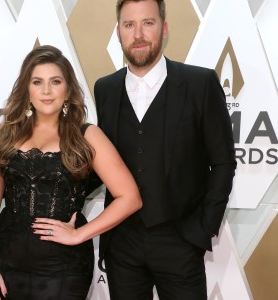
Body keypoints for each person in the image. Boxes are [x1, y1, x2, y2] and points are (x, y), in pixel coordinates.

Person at [93, 0, 237, 299]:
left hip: (181, 241)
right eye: (129, 25)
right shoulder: (105, 88)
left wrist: (202, 229)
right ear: (118, 32)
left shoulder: (200, 83)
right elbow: (102, 162)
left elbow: (223, 162)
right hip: (123, 243)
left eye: (148, 23)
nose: (138, 34)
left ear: (164, 28)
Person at [0, 45, 142, 300]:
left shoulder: (87, 136)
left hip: (64, 268)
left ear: (67, 89)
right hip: (7, 261)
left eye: (55, 81)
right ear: (26, 89)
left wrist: (79, 234)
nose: (46, 91)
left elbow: (130, 197)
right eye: (37, 82)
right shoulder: (5, 133)